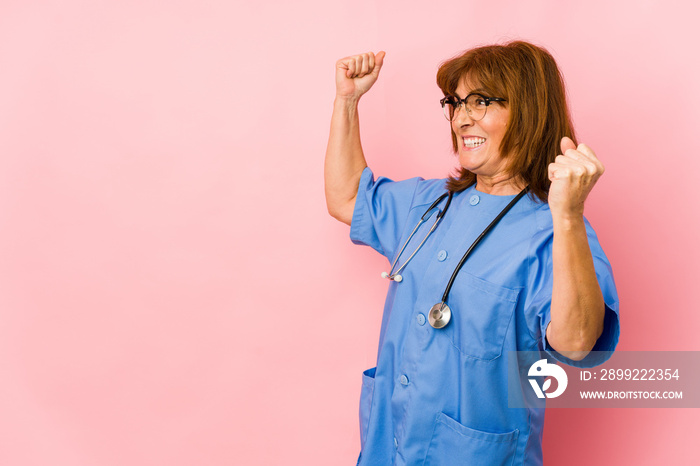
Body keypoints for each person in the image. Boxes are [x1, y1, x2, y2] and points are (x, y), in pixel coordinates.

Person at [324, 41, 619, 466]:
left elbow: (575, 343)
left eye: (481, 101)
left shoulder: (555, 232)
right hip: (386, 451)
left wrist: (569, 215)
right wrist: (347, 101)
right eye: (455, 102)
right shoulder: (428, 204)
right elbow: (347, 197)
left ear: (529, 111)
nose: (461, 118)